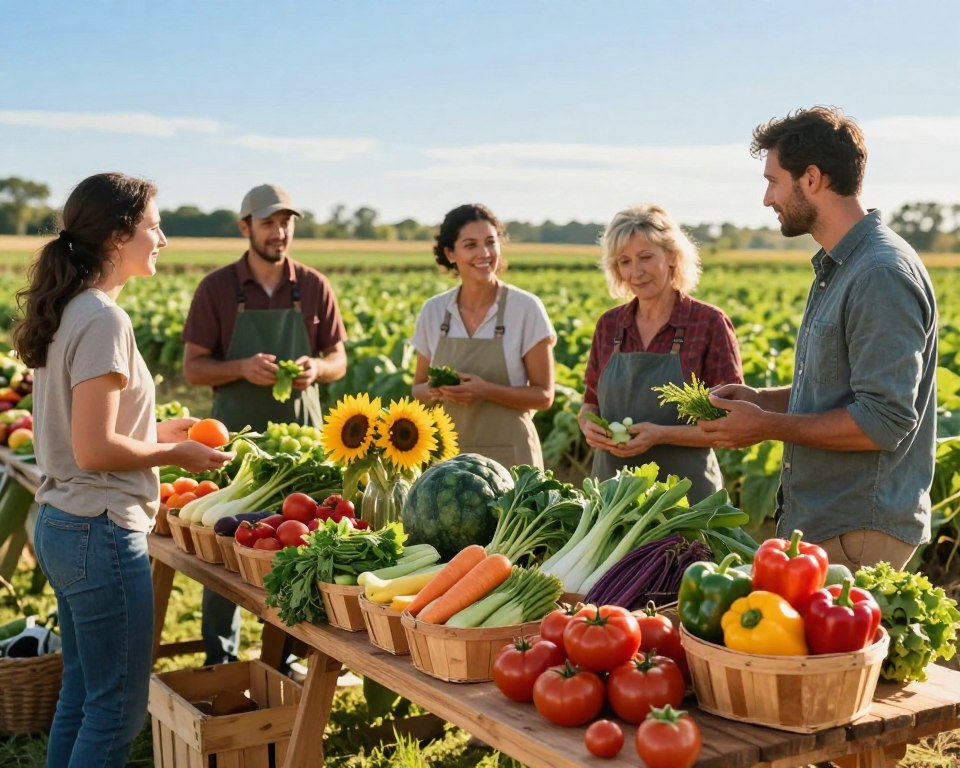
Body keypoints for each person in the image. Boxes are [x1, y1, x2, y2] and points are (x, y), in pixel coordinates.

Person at [13, 173, 233, 768]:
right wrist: (175, 455)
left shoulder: (72, 309)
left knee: (83, 695)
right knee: (117, 710)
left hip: (65, 522)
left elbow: (88, 431)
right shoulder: (105, 320)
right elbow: (95, 451)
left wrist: (159, 433)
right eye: (152, 226)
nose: (162, 238)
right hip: (101, 530)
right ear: (116, 236)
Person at [700, 106, 938, 572]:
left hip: (858, 529)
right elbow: (836, 391)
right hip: (831, 521)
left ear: (810, 179)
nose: (768, 199)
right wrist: (761, 401)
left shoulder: (879, 272)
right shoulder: (841, 264)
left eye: (773, 181)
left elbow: (883, 421)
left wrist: (765, 427)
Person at [182, 183, 347, 664]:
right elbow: (194, 368)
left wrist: (319, 369)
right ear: (245, 227)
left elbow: (338, 358)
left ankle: (290, 656)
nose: (279, 232)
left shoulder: (313, 286)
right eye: (269, 222)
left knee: (299, 548)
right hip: (237, 445)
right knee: (226, 547)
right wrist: (239, 368)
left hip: (304, 450)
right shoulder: (217, 289)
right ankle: (221, 656)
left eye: (286, 222)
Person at [579, 204, 743, 501]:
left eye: (645, 257)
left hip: (687, 501)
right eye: (625, 261)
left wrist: (660, 434)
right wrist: (589, 426)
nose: (635, 272)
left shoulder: (707, 323)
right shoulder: (609, 325)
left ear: (671, 256)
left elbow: (731, 425)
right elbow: (590, 404)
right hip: (612, 498)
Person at [411, 203, 555, 469]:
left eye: (491, 242)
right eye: (471, 245)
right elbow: (417, 389)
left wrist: (485, 391)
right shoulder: (434, 311)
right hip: (446, 462)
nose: (484, 253)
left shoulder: (525, 308)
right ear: (450, 253)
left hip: (512, 460)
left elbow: (544, 395)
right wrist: (439, 390)